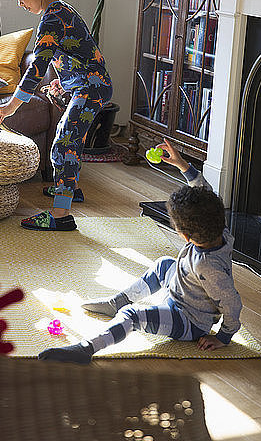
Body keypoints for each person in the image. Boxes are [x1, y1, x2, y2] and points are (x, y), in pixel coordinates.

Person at [38, 138, 242, 363]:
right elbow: (204, 192)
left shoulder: (207, 266)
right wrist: (182, 164)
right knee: (165, 264)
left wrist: (224, 336)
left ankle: (86, 349)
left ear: (185, 237)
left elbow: (231, 301)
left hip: (188, 320)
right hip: (182, 291)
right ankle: (115, 303)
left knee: (132, 316)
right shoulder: (220, 229)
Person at [0, 0, 112, 231]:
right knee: (70, 135)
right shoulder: (60, 12)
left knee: (64, 142)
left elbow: (36, 68)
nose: (20, 3)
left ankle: (60, 216)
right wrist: (62, 85)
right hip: (85, 84)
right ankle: (71, 189)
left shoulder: (53, 18)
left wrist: (10, 107)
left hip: (91, 87)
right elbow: (74, 56)